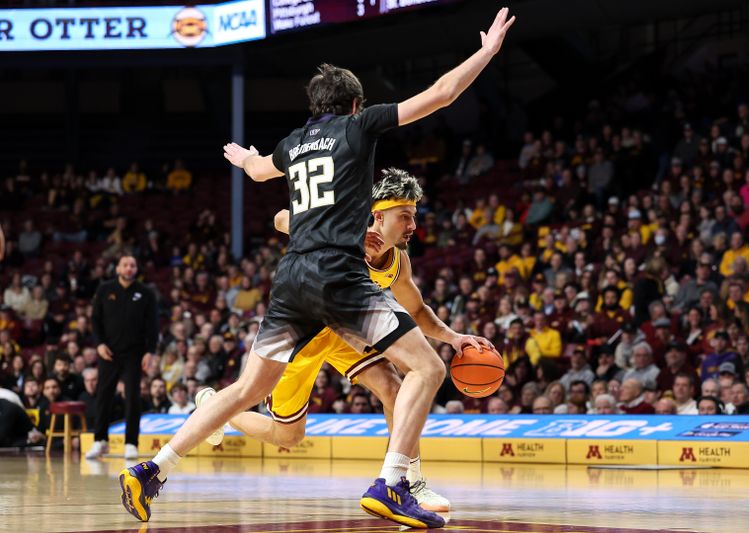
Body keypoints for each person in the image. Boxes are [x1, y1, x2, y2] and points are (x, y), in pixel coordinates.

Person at [120, 9, 515, 528]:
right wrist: (485, 52)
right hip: (338, 275)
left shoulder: (294, 142)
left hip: (292, 278)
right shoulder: (359, 125)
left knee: (247, 392)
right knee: (428, 368)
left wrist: (243, 159)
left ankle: (153, 468)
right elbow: (441, 93)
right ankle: (393, 482)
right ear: (355, 104)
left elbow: (261, 171)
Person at [204, 169, 488, 511]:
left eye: (413, 217)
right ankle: (214, 409)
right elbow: (281, 217)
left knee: (394, 387)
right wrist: (333, 232)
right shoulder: (344, 229)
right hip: (302, 329)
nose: (413, 226)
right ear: (378, 216)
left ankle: (408, 483)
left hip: (344, 331)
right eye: (405, 217)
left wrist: (453, 337)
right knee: (288, 436)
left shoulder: (398, 261)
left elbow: (417, 309)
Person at [86, 255, 158, 461]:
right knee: (103, 395)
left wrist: (150, 351)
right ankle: (100, 441)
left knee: (132, 397)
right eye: (125, 265)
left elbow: (153, 325)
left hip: (134, 353)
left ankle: (131, 443)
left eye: (132, 265)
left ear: (136, 269)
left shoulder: (145, 293)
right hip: (108, 352)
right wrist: (99, 343)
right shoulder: (104, 289)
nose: (129, 268)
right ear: (118, 268)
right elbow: (95, 320)